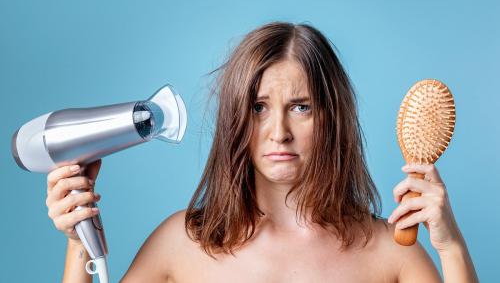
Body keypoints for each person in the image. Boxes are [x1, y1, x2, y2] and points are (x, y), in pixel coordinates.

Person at [46, 22, 479, 282]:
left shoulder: (389, 251)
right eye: (258, 108)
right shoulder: (181, 243)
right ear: (236, 119)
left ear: (332, 118)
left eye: (301, 107)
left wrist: (451, 247)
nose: (279, 133)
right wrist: (79, 246)